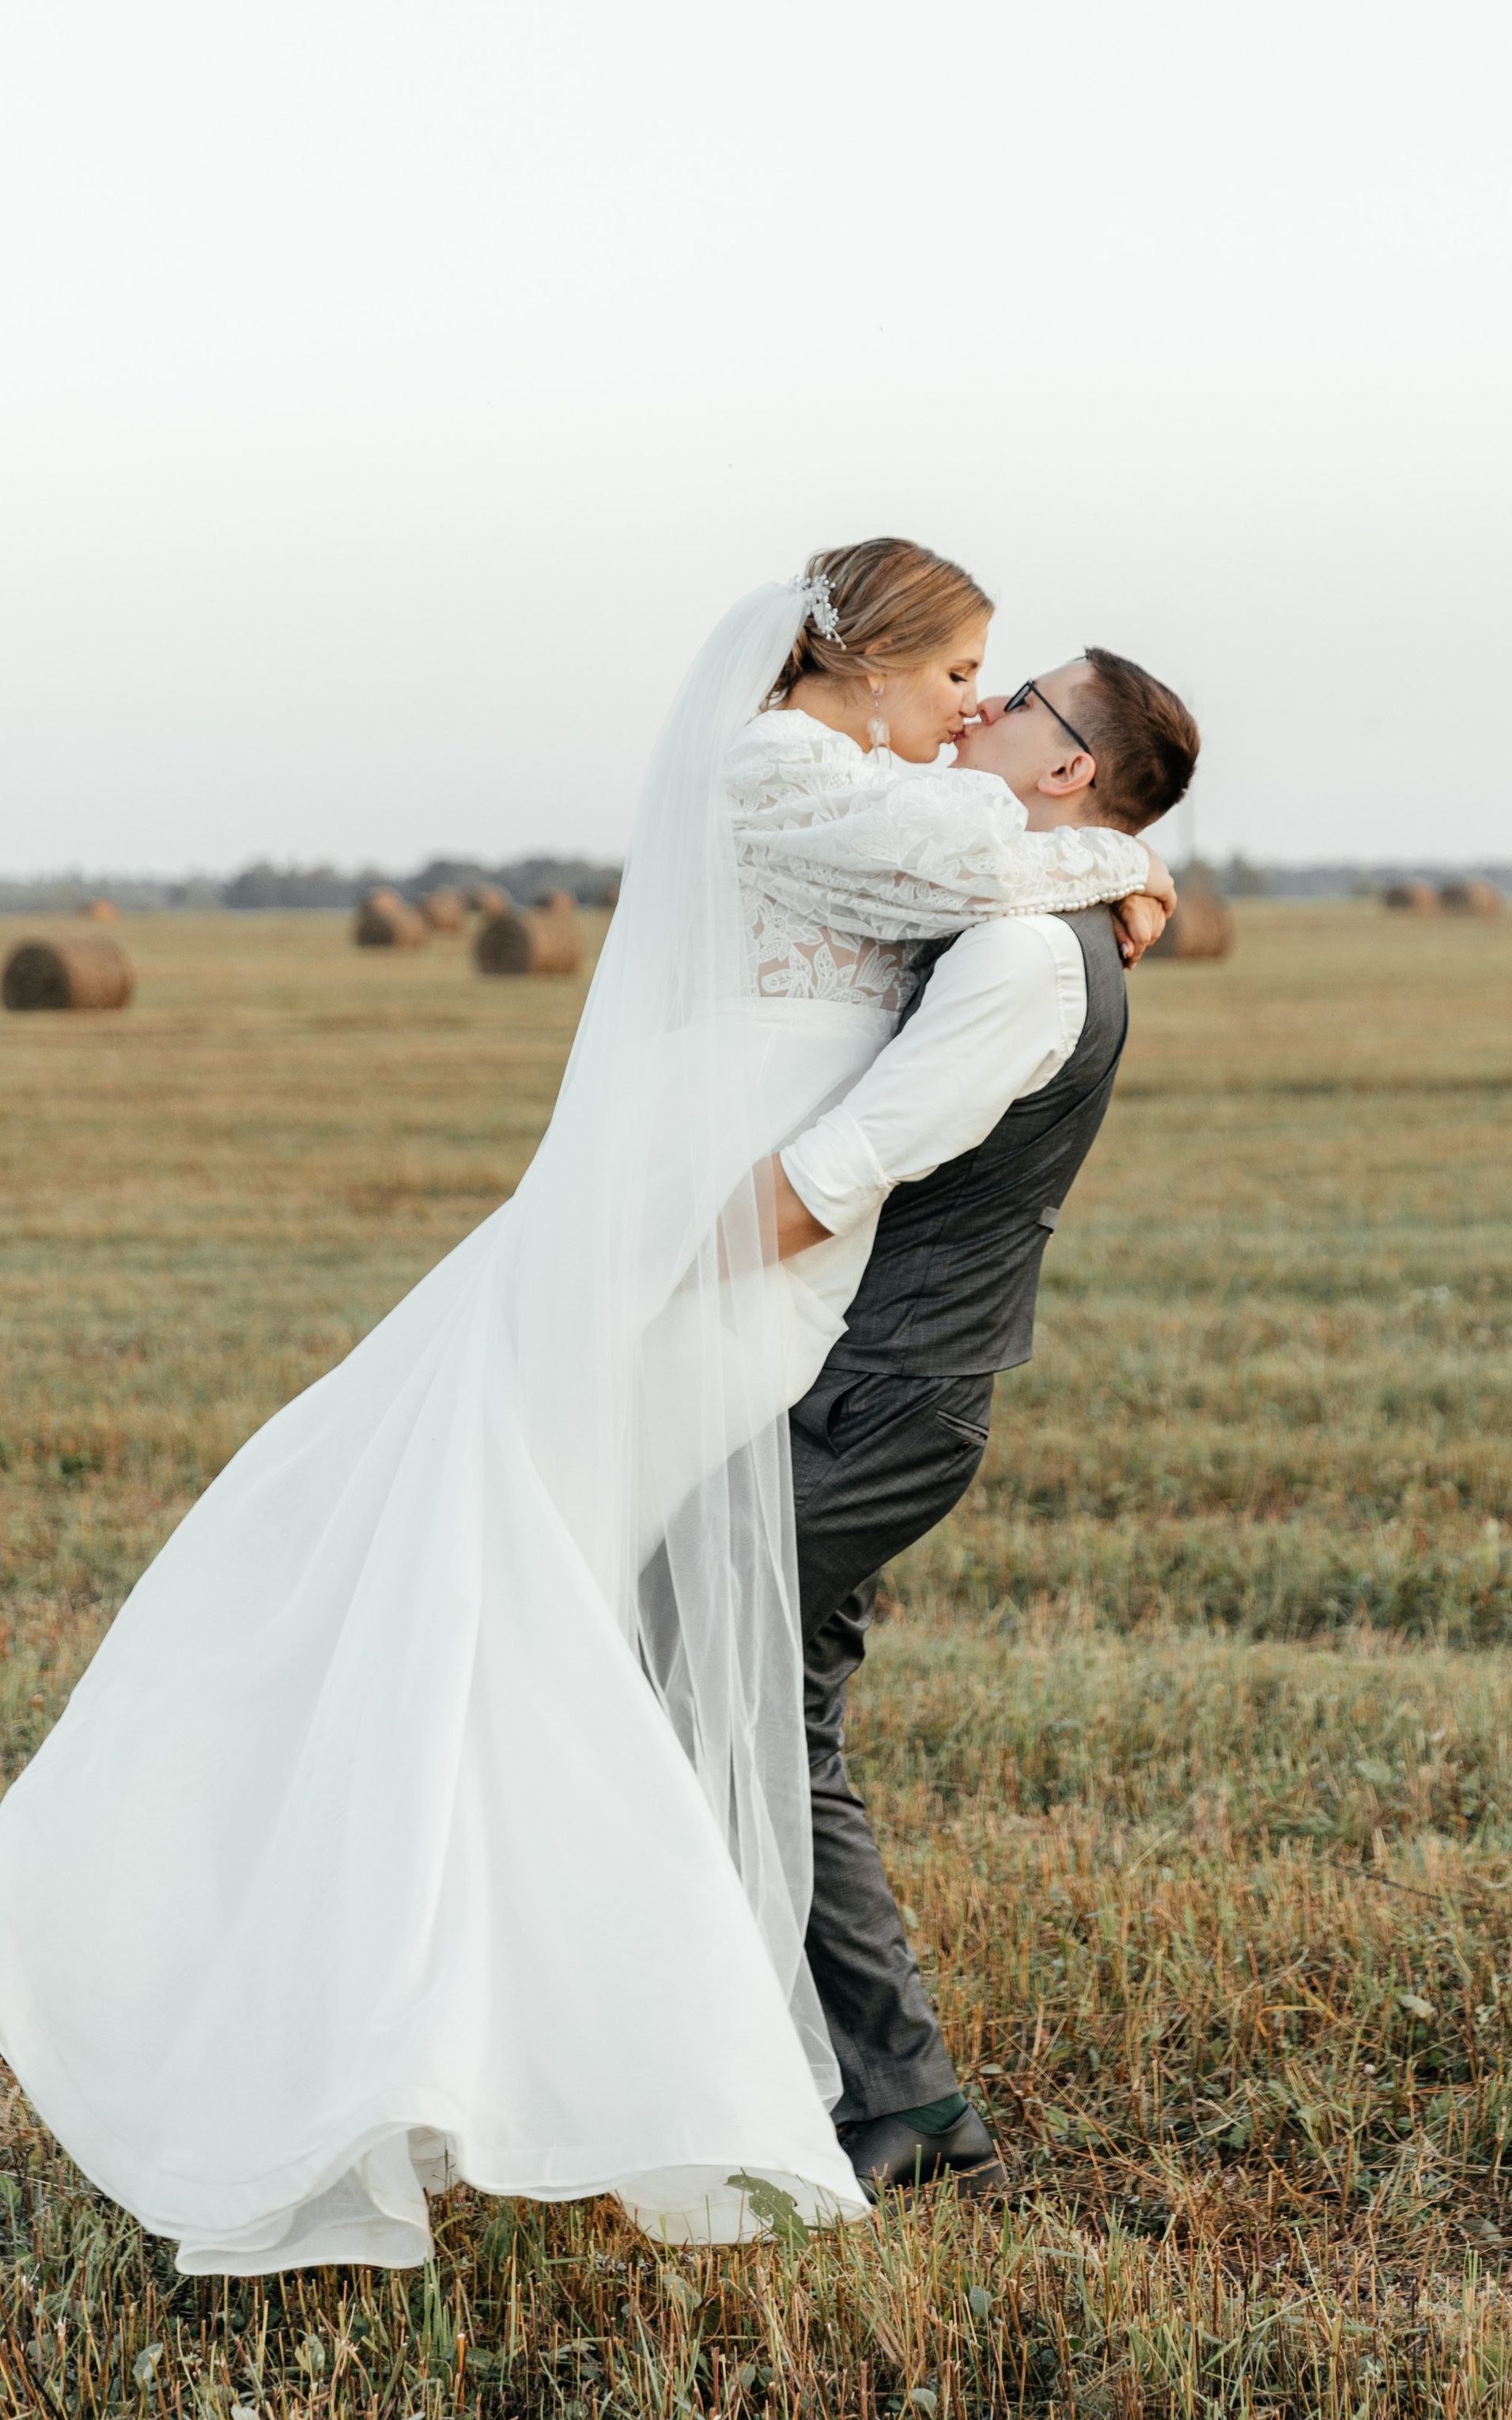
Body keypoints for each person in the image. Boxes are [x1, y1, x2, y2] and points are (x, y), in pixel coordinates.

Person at [0, 542, 1172, 2273]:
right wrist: (1125, 858)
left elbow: (997, 886)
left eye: (1001, 691)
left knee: (619, 1637)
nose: (968, 708)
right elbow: (992, 863)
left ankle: (664, 2051)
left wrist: (1100, 867)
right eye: (957, 675)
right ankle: (468, 2035)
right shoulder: (793, 773)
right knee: (556, 1624)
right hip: (703, 1239)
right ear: (862, 662)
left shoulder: (882, 797)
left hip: (758, 1252)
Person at [765, 647, 1202, 2193]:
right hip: (887, 1394)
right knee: (762, 1717)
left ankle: (853, 2087)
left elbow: (832, 1179)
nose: (982, 703)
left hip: (872, 1402)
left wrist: (585, 1279)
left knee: (696, 1691)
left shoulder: (1027, 958)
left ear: (1068, 765)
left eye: (1015, 692)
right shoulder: (1045, 915)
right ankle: (899, 2098)